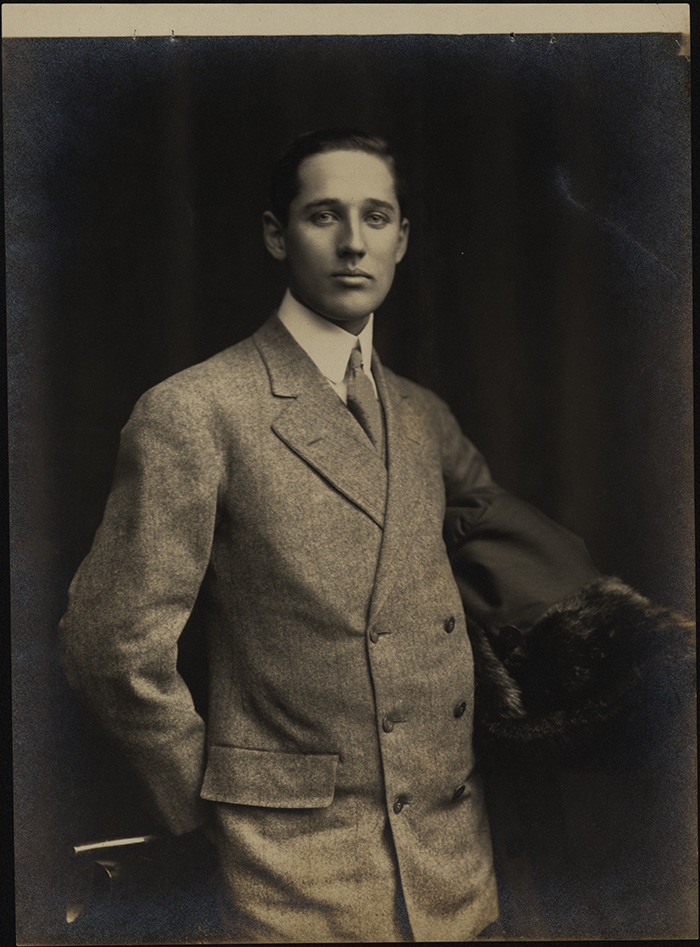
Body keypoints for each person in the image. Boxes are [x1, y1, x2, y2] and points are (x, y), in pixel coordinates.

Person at [58, 129, 694, 943]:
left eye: (376, 216)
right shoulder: (195, 410)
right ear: (276, 234)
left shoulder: (423, 415)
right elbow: (110, 646)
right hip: (288, 876)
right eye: (324, 215)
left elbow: (513, 552)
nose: (354, 242)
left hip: (457, 867)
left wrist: (646, 644)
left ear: (402, 238)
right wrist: (205, 810)